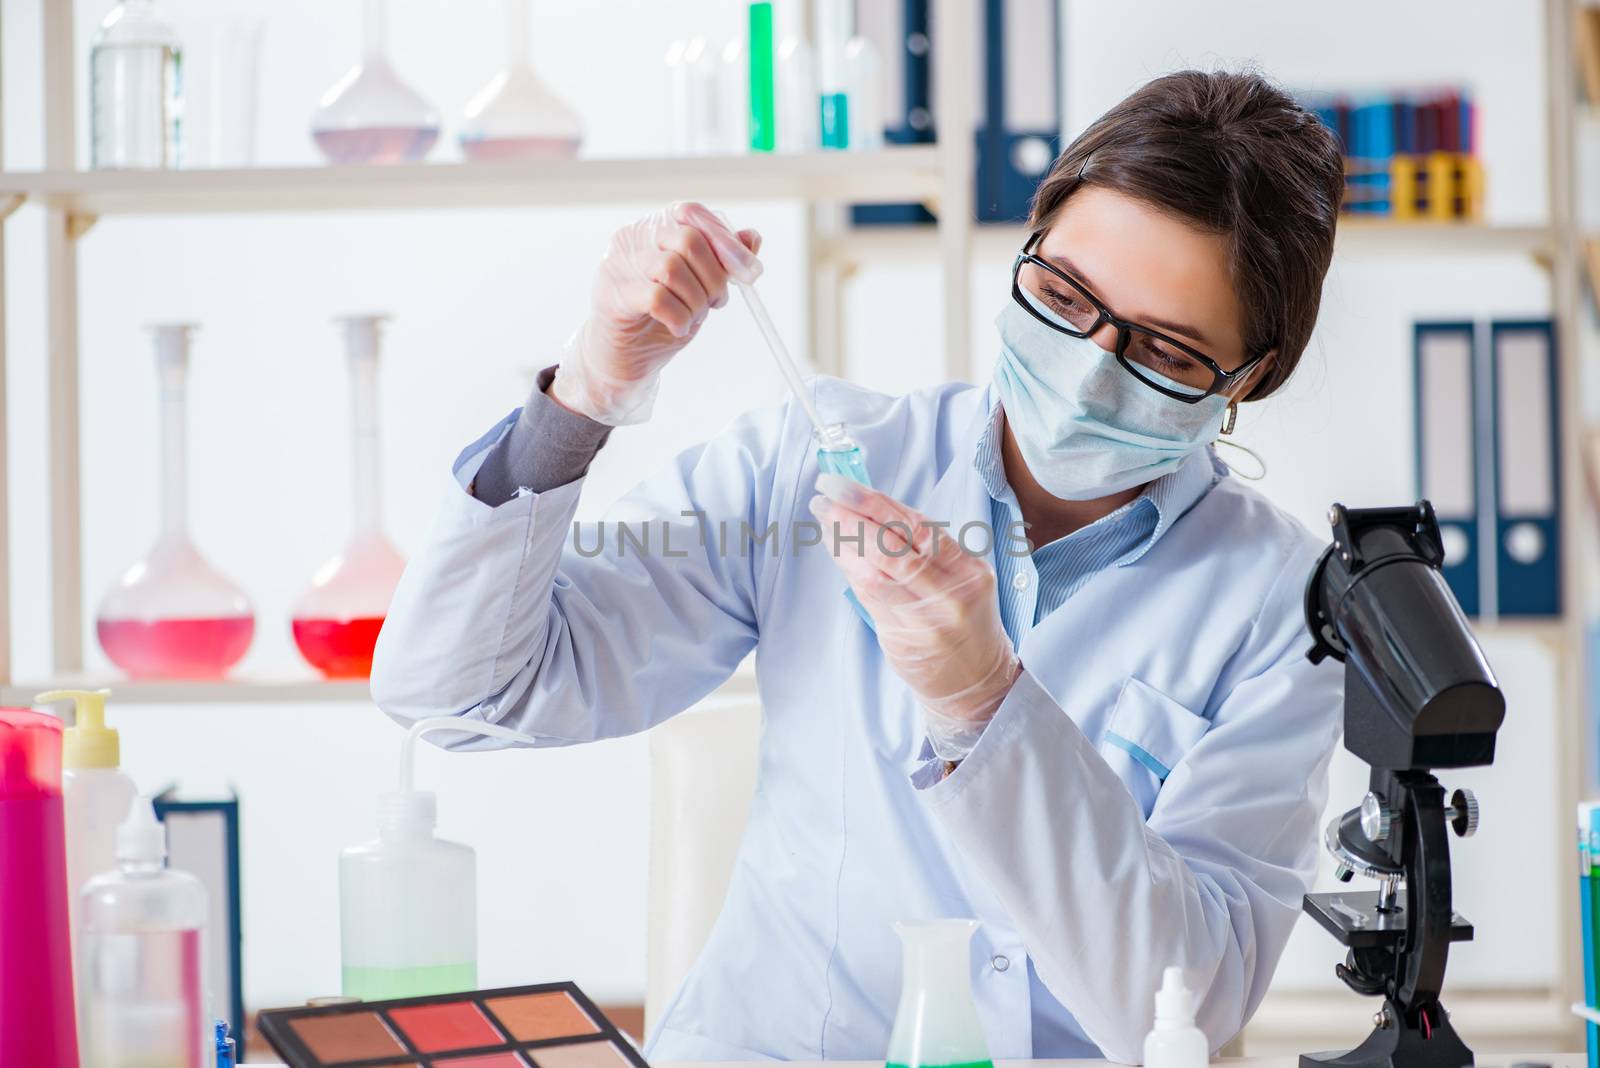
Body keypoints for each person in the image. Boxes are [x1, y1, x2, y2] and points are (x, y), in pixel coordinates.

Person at [372, 70, 1348, 1061]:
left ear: (1251, 375)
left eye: (1168, 354)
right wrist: (583, 394)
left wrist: (984, 703)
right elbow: (459, 694)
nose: (1090, 366)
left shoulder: (1285, 608)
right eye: (1062, 295)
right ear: (1031, 240)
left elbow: (1180, 1003)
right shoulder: (813, 460)